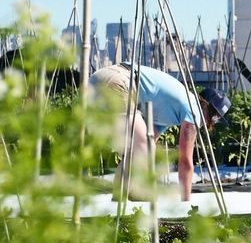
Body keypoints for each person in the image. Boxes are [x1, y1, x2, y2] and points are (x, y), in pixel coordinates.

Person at [90, 63, 231, 201]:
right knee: (142, 148)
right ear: (205, 105)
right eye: (214, 116)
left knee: (140, 149)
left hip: (98, 80)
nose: (212, 122)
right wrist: (186, 203)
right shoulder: (194, 109)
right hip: (119, 81)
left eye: (217, 119)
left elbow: (149, 142)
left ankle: (119, 199)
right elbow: (185, 161)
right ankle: (129, 196)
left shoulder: (173, 110)